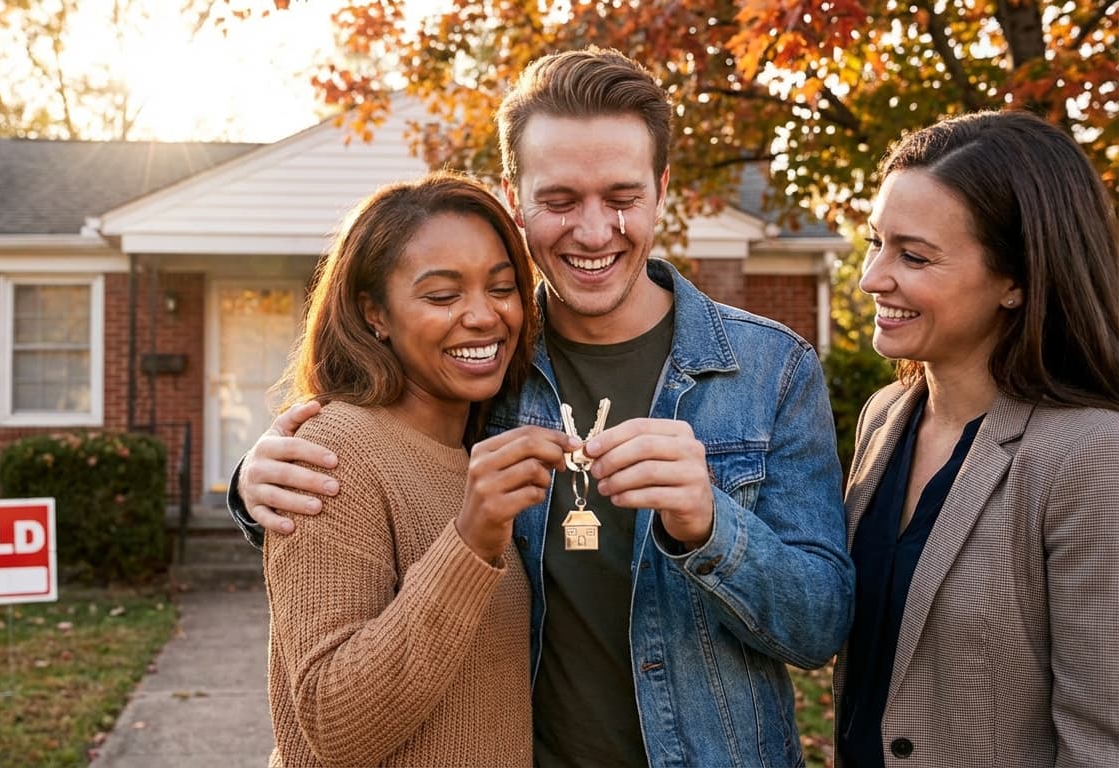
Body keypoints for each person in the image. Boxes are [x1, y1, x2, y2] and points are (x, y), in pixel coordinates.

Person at [237, 48, 854, 766]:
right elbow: (382, 471)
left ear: (661, 190)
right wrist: (252, 486)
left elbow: (819, 628)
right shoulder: (480, 364)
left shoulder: (771, 371)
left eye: (621, 198)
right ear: (513, 198)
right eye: (559, 201)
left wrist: (713, 526)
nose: (593, 232)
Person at [261, 170, 576, 767]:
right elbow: (333, 724)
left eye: (503, 288)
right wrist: (470, 542)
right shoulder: (335, 452)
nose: (483, 316)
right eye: (442, 296)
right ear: (374, 312)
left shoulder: (475, 447)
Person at [836, 109, 1119, 767]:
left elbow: (1103, 740)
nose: (872, 277)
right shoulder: (884, 418)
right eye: (876, 242)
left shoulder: (1090, 455)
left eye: (913, 256)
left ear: (1015, 280)